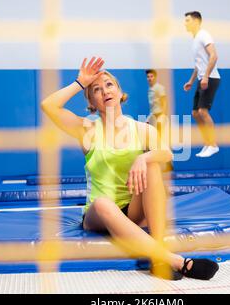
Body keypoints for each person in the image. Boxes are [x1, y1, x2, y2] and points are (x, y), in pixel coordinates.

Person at [41, 56, 219, 280]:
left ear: (118, 91)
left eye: (109, 85)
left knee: (152, 163)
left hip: (135, 211)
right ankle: (174, 260)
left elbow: (166, 153)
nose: (105, 91)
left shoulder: (141, 129)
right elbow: (48, 105)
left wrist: (142, 159)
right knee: (104, 203)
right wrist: (80, 82)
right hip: (100, 214)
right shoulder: (86, 129)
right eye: (96, 89)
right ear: (91, 101)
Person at [184, 11, 221, 158]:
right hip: (202, 79)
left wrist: (205, 76)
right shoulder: (195, 40)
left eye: (187, 20)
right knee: (195, 113)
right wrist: (191, 81)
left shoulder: (204, 34)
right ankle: (207, 143)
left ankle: (213, 145)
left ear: (196, 21)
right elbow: (198, 64)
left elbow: (214, 55)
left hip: (211, 78)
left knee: (203, 112)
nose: (184, 23)